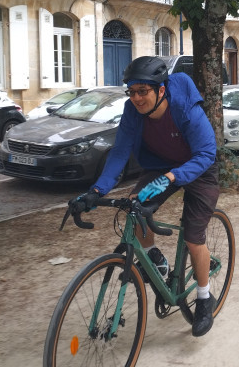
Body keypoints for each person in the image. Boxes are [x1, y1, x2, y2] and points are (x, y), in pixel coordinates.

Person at [73, 56, 219, 337]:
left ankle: (203, 297)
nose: (137, 98)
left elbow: (205, 153)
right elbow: (119, 152)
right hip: (160, 163)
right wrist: (96, 190)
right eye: (132, 91)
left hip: (199, 166)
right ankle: (156, 257)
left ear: (161, 90)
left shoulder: (183, 106)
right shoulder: (132, 111)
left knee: (192, 235)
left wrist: (172, 177)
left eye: (144, 91)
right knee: (133, 207)